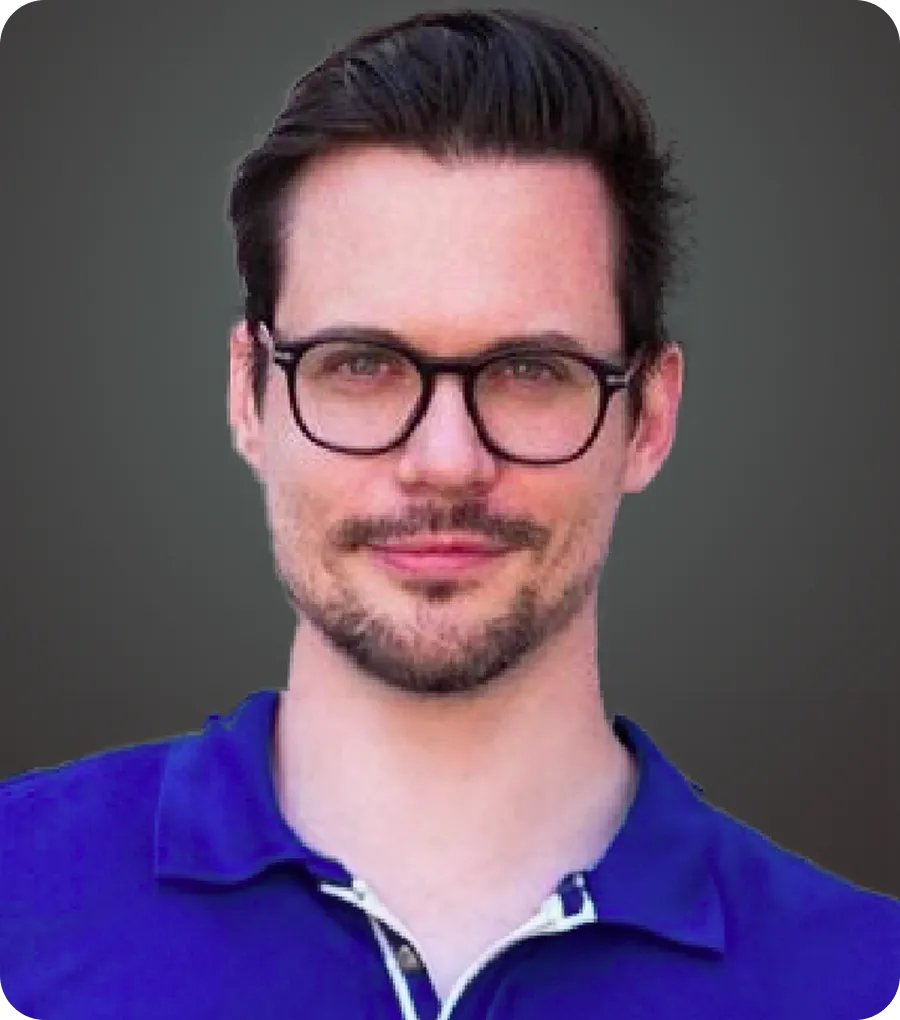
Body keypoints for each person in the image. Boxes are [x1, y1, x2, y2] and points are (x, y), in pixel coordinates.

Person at [1, 8, 898, 1019]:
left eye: (529, 371)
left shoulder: (864, 982)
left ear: (649, 416)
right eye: (362, 365)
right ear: (249, 395)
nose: (444, 463)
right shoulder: (14, 907)